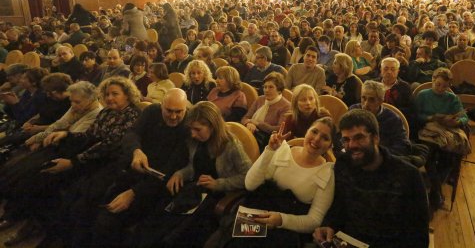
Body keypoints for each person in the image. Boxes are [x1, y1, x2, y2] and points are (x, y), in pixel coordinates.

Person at [0, 77, 141, 245]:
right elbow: (90, 135)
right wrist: (66, 134)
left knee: (71, 196)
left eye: (115, 94)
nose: (110, 98)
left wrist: (73, 162)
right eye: (107, 94)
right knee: (40, 176)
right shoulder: (107, 112)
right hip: (91, 158)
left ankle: (57, 236)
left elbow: (109, 146)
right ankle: (38, 226)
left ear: (127, 95)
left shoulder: (132, 115)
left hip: (112, 165)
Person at [78, 89, 191, 247]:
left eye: (179, 111)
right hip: (134, 170)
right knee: (88, 201)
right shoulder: (152, 111)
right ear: (161, 106)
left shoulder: (189, 126)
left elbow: (171, 168)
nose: (173, 116)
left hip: (156, 185)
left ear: (186, 107)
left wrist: (133, 193)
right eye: (169, 111)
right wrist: (136, 151)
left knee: (106, 221)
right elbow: (132, 134)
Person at [134, 101, 252, 247]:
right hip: (195, 189)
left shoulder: (231, 144)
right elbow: (193, 166)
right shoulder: (195, 141)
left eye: (198, 129)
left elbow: (249, 177)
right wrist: (180, 174)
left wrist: (218, 183)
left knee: (179, 231)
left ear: (212, 126)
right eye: (191, 129)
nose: (193, 134)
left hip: (215, 195)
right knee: (159, 216)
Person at [313, 109, 429, 248]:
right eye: (346, 140)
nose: (352, 145)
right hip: (346, 241)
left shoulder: (408, 176)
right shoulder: (343, 164)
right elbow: (339, 205)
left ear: (376, 138)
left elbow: (418, 238)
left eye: (359, 138)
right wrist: (328, 225)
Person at [226, 119, 336, 248]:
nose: (317, 139)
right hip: (260, 211)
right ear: (306, 132)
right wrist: (269, 151)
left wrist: (281, 220)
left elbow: (314, 220)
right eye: (314, 131)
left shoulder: (326, 172)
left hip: (291, 227)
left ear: (329, 146)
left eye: (325, 138)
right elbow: (250, 185)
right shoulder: (284, 151)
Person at [415, 68, 470, 205]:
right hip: (427, 129)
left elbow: (464, 117)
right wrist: (432, 117)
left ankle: (435, 187)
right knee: (428, 155)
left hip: (447, 130)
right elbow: (415, 116)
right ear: (432, 80)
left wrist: (457, 121)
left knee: (448, 155)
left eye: (445, 86)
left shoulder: (452, 98)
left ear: (449, 86)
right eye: (438, 84)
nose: (440, 89)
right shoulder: (423, 95)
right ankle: (436, 190)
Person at [349, 81, 411, 156]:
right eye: (363, 98)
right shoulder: (353, 111)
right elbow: (341, 135)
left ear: (381, 101)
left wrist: (378, 154)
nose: (366, 105)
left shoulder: (392, 119)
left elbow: (403, 146)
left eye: (371, 100)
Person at [242, 72, 291, 151]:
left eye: (271, 87)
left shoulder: (286, 106)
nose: (266, 90)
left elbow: (279, 130)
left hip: (269, 140)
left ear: (279, 90)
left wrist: (257, 123)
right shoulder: (260, 99)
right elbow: (245, 118)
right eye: (265, 87)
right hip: (251, 132)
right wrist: (249, 123)